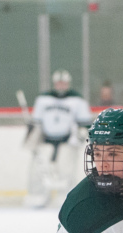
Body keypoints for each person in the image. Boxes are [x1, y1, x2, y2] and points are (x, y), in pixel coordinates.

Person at [24, 69, 93, 208]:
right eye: (59, 83)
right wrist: (32, 138)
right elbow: (36, 122)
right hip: (46, 141)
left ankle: (66, 198)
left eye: (64, 83)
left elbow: (85, 123)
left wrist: (80, 135)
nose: (61, 85)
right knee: (39, 170)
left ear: (68, 83)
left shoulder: (77, 99)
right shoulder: (43, 99)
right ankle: (37, 196)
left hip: (67, 142)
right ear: (54, 83)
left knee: (66, 171)